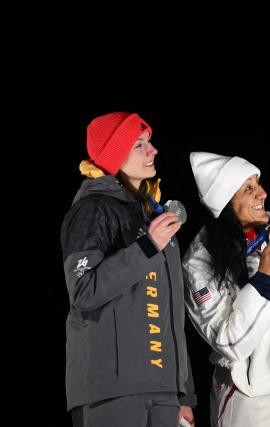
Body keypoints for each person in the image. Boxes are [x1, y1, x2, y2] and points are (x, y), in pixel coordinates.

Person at [60, 112, 196, 427]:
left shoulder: (154, 216)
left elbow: (171, 310)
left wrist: (183, 393)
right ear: (114, 155)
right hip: (111, 392)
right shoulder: (92, 210)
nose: (153, 151)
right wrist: (147, 247)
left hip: (163, 391)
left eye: (149, 142)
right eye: (139, 145)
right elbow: (84, 292)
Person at [183, 152, 270, 427]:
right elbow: (230, 344)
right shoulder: (199, 260)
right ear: (223, 201)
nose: (263, 194)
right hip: (250, 396)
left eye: (258, 184)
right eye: (249, 189)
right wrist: (264, 279)